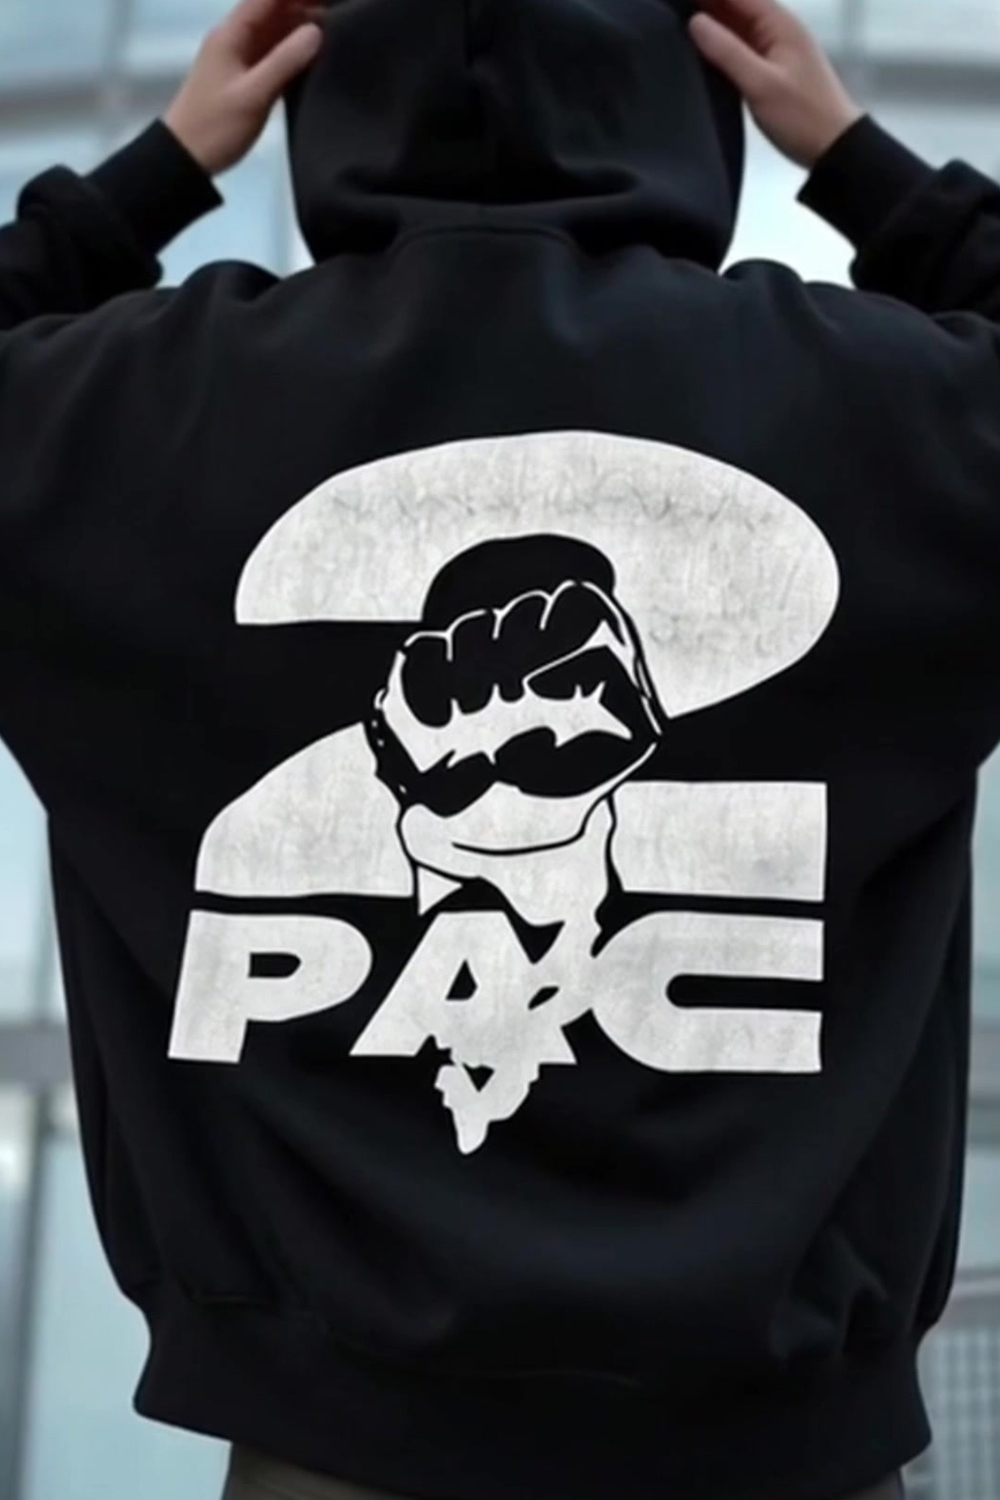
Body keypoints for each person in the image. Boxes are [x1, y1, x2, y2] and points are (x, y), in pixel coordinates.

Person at [0, 0, 997, 1495]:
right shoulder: (887, 408)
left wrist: (152, 173)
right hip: (789, 1454)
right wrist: (862, 166)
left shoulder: (123, 420)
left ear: (325, 84)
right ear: (689, 80)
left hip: (327, 1447)